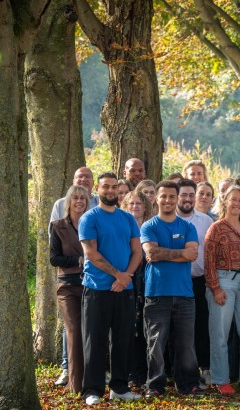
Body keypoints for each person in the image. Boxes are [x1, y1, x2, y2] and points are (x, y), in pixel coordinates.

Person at [79, 173, 143, 405]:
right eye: (106, 187)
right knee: (94, 340)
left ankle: (119, 387)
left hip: (124, 289)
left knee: (123, 339)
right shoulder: (89, 218)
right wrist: (118, 275)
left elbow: (137, 251)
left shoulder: (127, 218)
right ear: (97, 189)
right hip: (97, 288)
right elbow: (91, 253)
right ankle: (92, 390)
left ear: (119, 190)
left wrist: (126, 278)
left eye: (114, 187)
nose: (110, 191)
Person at [140, 181, 201, 397]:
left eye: (171, 197)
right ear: (156, 198)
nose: (167, 200)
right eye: (163, 196)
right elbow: (151, 254)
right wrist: (180, 254)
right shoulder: (149, 226)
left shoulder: (188, 227)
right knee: (156, 343)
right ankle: (155, 386)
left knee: (186, 344)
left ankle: (188, 384)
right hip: (157, 293)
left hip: (184, 294)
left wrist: (163, 253)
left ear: (177, 199)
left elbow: (192, 254)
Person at [204, 186, 240, 395]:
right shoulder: (216, 228)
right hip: (223, 280)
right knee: (220, 333)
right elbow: (208, 260)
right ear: (225, 201)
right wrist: (215, 288)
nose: (237, 203)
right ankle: (221, 380)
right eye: (233, 199)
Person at [49, 185, 89, 394]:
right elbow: (54, 258)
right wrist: (78, 259)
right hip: (67, 286)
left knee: (91, 331)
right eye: (75, 198)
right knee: (74, 331)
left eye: (83, 198)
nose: (79, 201)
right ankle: (76, 385)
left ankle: (93, 380)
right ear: (69, 202)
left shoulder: (93, 224)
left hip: (91, 285)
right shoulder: (58, 226)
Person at [176, 179, 215, 390]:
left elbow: (210, 253)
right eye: (184, 195)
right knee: (179, 330)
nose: (188, 199)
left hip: (199, 281)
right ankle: (181, 372)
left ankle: (204, 368)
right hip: (176, 281)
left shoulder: (206, 221)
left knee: (201, 326)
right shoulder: (168, 220)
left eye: (191, 195)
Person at [120, 190, 153, 387]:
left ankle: (145, 373)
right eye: (131, 203)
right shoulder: (121, 226)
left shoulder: (150, 227)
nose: (135, 207)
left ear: (145, 206)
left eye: (139, 203)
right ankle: (130, 373)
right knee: (128, 328)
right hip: (127, 281)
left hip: (147, 283)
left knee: (145, 329)